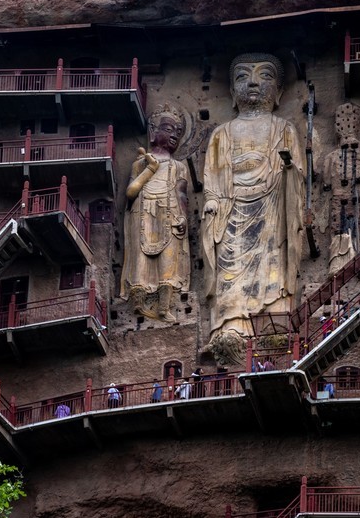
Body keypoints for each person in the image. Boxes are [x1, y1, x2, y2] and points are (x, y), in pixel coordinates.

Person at [202, 53, 305, 355]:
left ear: (280, 93)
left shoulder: (283, 127)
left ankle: (274, 322)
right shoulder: (222, 133)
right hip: (230, 206)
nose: (254, 83)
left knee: (273, 260)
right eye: (243, 76)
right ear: (233, 93)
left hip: (272, 202)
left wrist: (289, 171)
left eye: (265, 76)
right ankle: (231, 326)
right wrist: (210, 199)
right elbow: (212, 173)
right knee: (229, 269)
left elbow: (297, 170)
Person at [122, 106, 192, 323]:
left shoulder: (179, 166)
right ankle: (139, 304)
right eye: (168, 129)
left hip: (169, 212)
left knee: (169, 260)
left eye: (178, 133)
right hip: (142, 214)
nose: (173, 135)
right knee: (140, 259)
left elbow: (181, 193)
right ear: (153, 132)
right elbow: (131, 192)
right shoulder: (140, 164)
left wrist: (183, 217)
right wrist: (150, 168)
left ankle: (164, 306)